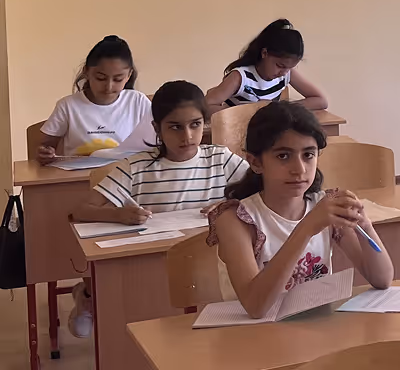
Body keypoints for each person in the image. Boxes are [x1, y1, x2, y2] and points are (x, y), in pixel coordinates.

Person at [69, 80, 249, 337]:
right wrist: (117, 214)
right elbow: (81, 210)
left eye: (195, 125)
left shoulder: (220, 158)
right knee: (160, 331)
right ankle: (89, 297)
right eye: (175, 127)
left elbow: (262, 191)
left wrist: (231, 203)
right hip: (153, 271)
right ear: (157, 128)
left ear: (204, 123)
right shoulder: (137, 167)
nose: (186, 136)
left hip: (211, 264)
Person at [207, 101, 393, 319]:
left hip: (314, 328)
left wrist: (365, 225)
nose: (299, 169)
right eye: (283, 156)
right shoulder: (236, 219)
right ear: (255, 162)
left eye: (308, 155)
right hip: (254, 337)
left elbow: (382, 279)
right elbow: (256, 307)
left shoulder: (324, 206)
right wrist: (307, 228)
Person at [37, 35, 155, 163]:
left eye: (118, 79)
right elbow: (45, 146)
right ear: (86, 72)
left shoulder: (138, 102)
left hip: (124, 177)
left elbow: (158, 141)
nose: (109, 87)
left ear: (129, 76)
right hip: (79, 178)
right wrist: (45, 152)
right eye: (101, 78)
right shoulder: (67, 106)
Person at [206, 19, 328, 112]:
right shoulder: (240, 77)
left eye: (290, 68)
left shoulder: (286, 74)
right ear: (265, 53)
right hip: (237, 134)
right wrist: (249, 113)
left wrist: (280, 108)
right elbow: (206, 107)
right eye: (280, 65)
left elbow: (320, 100)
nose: (284, 72)